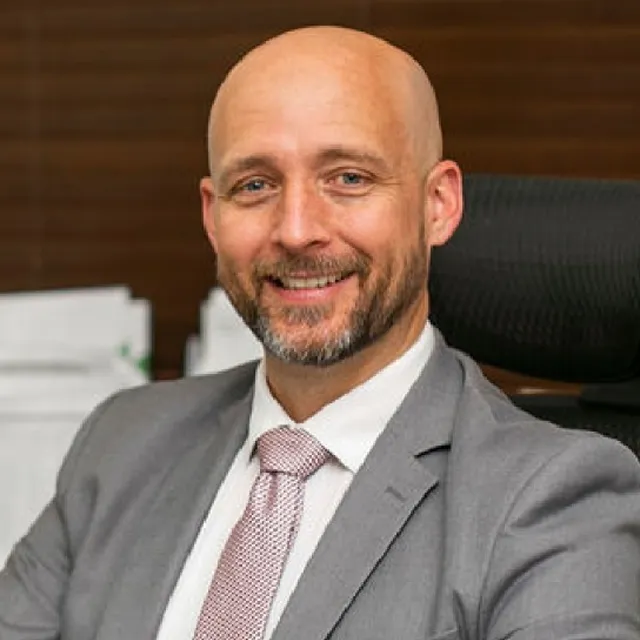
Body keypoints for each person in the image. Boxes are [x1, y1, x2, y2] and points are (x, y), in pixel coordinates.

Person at [1, 25, 639, 640]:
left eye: (349, 178)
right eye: (255, 185)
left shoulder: (554, 499)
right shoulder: (122, 441)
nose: (297, 230)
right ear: (213, 217)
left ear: (438, 205)